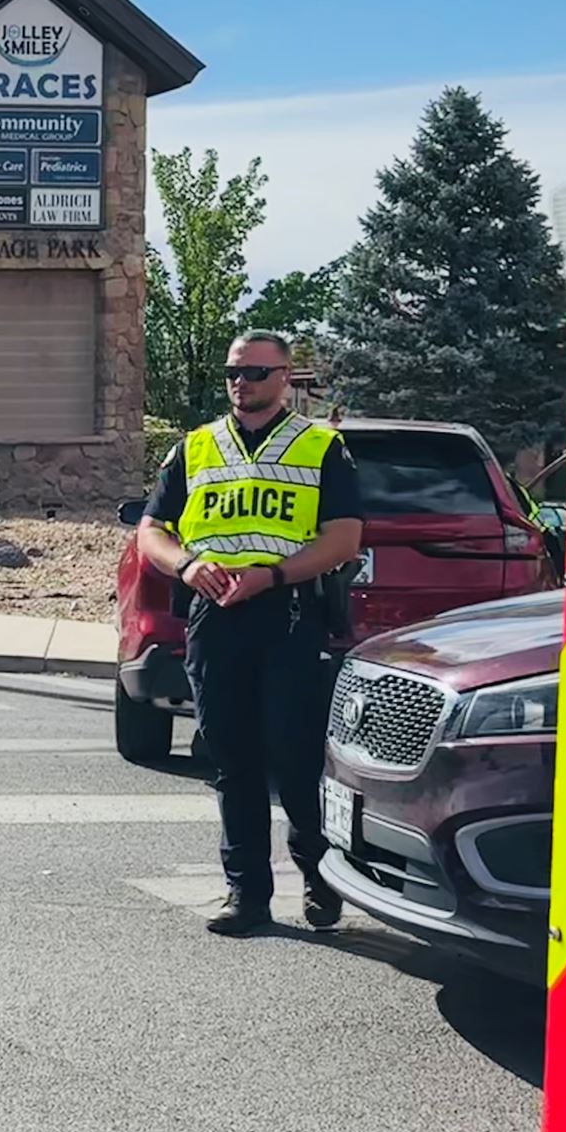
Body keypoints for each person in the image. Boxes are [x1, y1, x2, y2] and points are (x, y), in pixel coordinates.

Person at [137, 330, 365, 937]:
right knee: (231, 759)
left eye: (257, 372)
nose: (242, 383)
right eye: (234, 373)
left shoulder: (322, 447)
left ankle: (319, 876)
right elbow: (151, 530)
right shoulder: (196, 447)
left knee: (295, 757)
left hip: (287, 610)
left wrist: (273, 575)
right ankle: (247, 895)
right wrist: (188, 565)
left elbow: (344, 539)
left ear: (285, 378)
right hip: (215, 615)